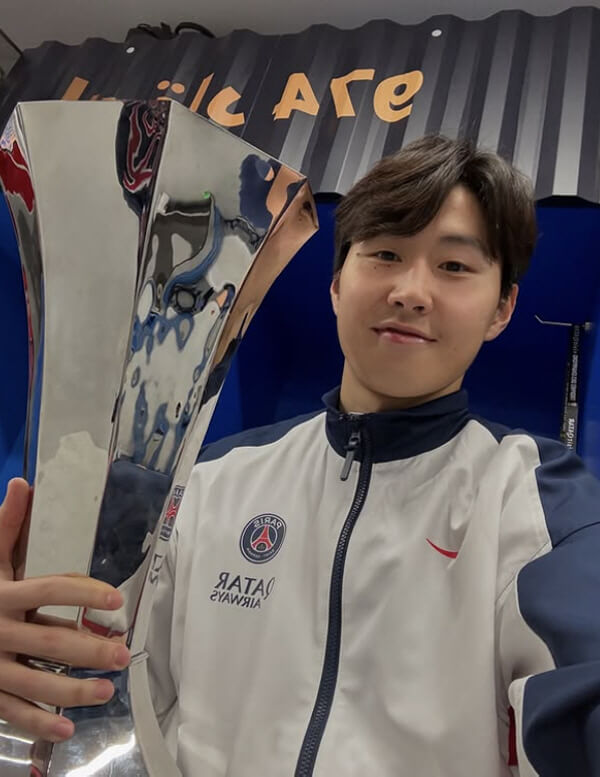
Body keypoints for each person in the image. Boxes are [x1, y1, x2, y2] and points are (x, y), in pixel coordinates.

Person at [1, 134, 599, 777]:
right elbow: (100, 690)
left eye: (454, 266)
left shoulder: (536, 499)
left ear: (502, 308)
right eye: (386, 253)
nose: (411, 291)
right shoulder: (207, 482)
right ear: (337, 284)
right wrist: (35, 654)